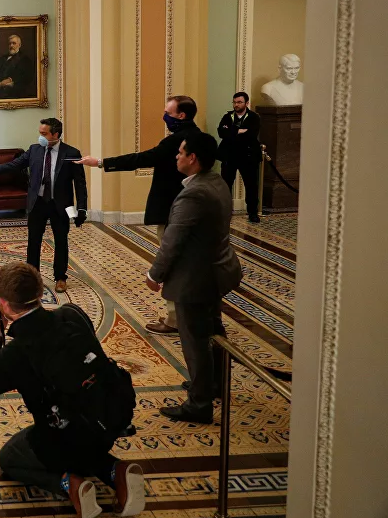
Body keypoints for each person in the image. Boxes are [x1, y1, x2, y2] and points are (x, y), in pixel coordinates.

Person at [0, 262, 144, 518]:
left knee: (9, 457)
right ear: (40, 292)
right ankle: (115, 470)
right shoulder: (72, 314)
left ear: (5, 305)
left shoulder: (15, 352)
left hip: (61, 438)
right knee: (78, 427)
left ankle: (71, 484)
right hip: (107, 421)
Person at [77, 95, 201, 335]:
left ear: (181, 115)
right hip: (192, 212)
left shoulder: (176, 141)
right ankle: (191, 315)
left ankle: (175, 319)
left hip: (172, 211)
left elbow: (141, 159)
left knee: (171, 265)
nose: (164, 116)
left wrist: (100, 162)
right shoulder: (201, 137)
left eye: (168, 112)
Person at [146, 132, 243, 424]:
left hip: (195, 279)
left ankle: (199, 404)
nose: (176, 156)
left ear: (193, 158)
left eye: (180, 152)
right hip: (217, 271)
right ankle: (214, 384)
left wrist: (154, 274)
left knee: (195, 341)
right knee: (213, 327)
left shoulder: (194, 193)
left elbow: (173, 241)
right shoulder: (216, 181)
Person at [0, 117, 86, 293]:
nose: (40, 136)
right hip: (37, 203)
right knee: (33, 241)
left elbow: (80, 184)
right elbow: (15, 164)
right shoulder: (34, 150)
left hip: (60, 204)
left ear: (55, 134)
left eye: (44, 133)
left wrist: (82, 208)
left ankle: (60, 277)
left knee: (61, 241)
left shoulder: (71, 153)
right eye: (39, 133)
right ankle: (32, 278)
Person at [217, 92, 262, 223]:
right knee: (226, 185)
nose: (236, 105)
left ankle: (252, 212)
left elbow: (251, 135)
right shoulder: (227, 116)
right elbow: (221, 132)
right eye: (234, 102)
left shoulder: (254, 117)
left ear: (246, 103)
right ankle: (225, 212)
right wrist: (238, 131)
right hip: (229, 156)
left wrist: (231, 132)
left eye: (239, 102)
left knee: (251, 185)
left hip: (248, 156)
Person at [0, 34, 34, 99]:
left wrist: (10, 79)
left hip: (15, 94)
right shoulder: (2, 58)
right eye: (10, 44)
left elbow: (26, 76)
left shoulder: (25, 59)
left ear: (19, 45)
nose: (11, 45)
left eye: (14, 43)